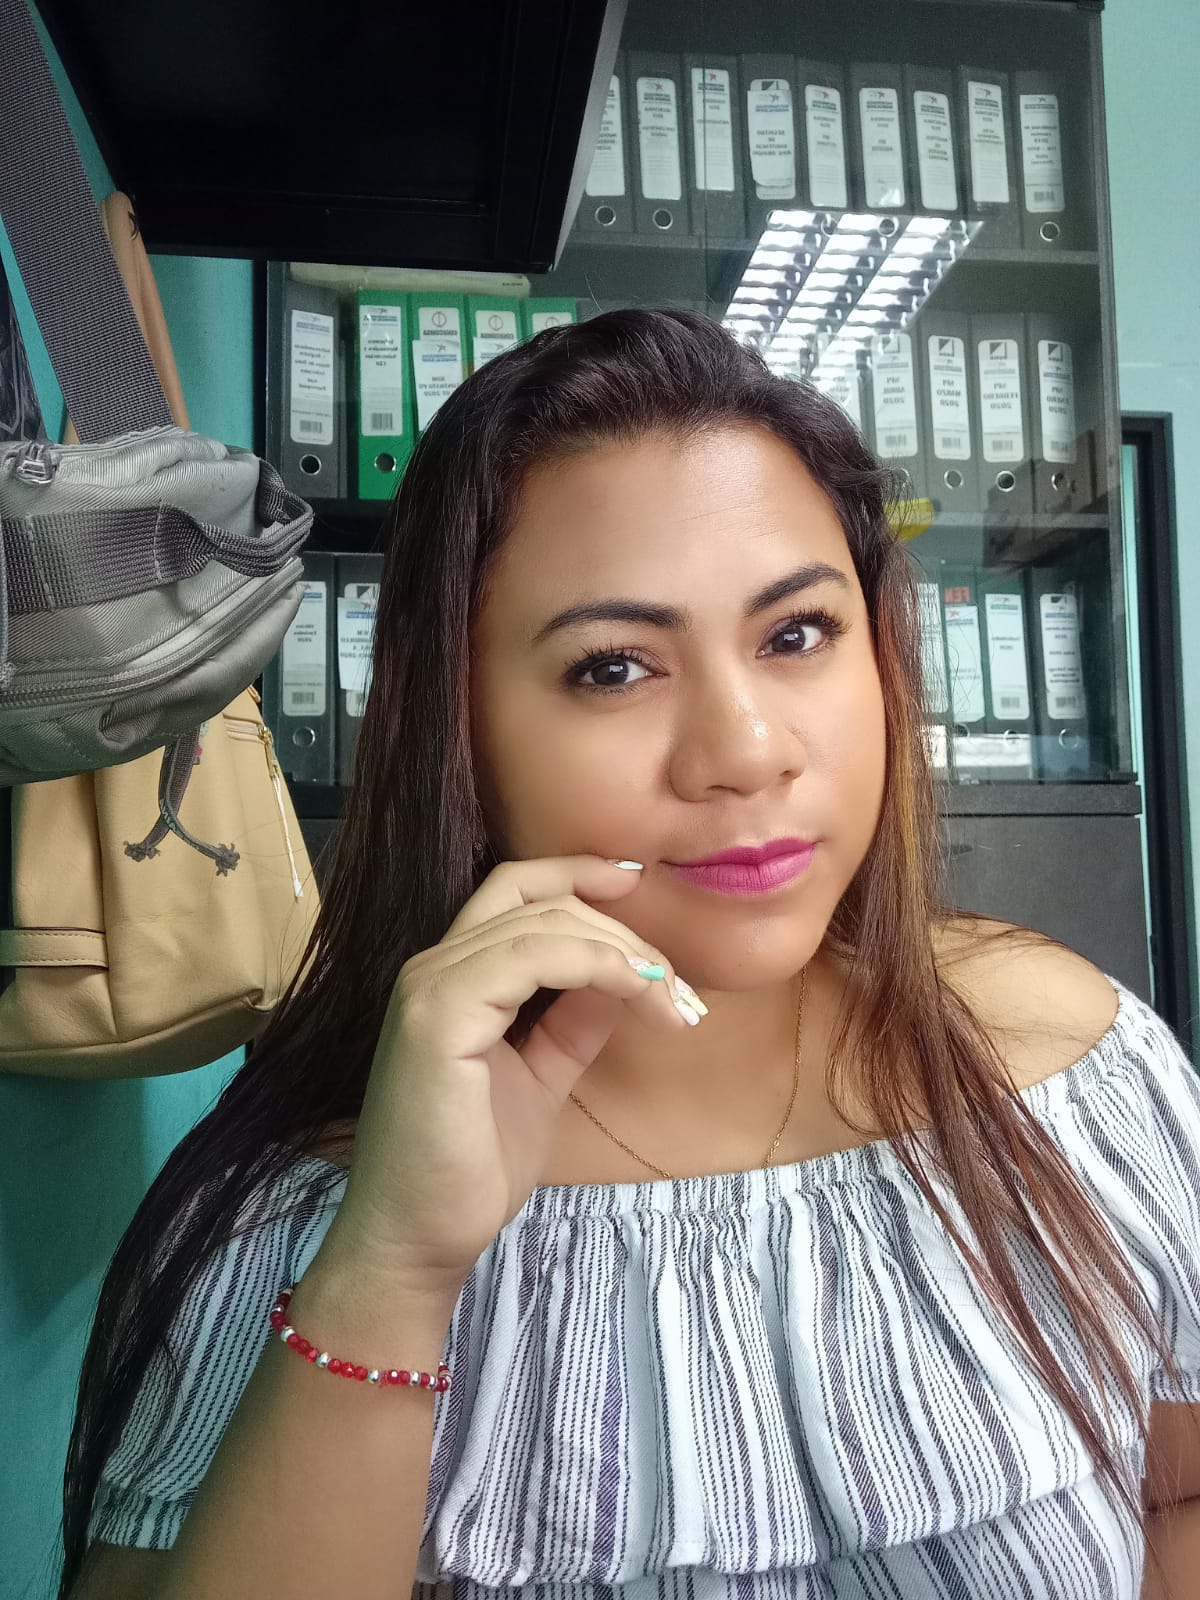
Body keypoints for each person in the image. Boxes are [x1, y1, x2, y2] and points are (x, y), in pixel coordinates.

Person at [59, 309, 1200, 1600]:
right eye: (612, 668)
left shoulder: (1071, 1068)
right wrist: (393, 1272)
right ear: (459, 727)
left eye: (796, 634)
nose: (745, 751)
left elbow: (1178, 1499)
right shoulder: (298, 1222)